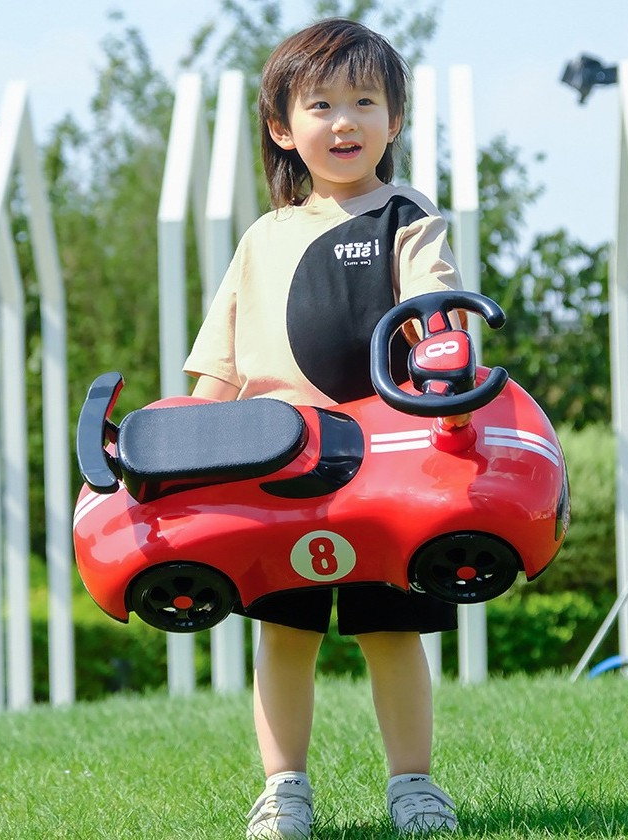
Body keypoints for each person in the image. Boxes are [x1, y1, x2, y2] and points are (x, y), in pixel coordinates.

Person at [183, 18, 464, 839]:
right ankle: (284, 793)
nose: (345, 121)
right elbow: (218, 369)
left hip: (387, 463)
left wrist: (446, 355)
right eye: (322, 104)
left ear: (394, 119)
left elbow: (436, 310)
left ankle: (414, 787)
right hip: (274, 465)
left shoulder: (406, 214)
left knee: (391, 630)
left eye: (365, 101)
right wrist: (183, 452)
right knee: (284, 632)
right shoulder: (262, 239)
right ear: (282, 127)